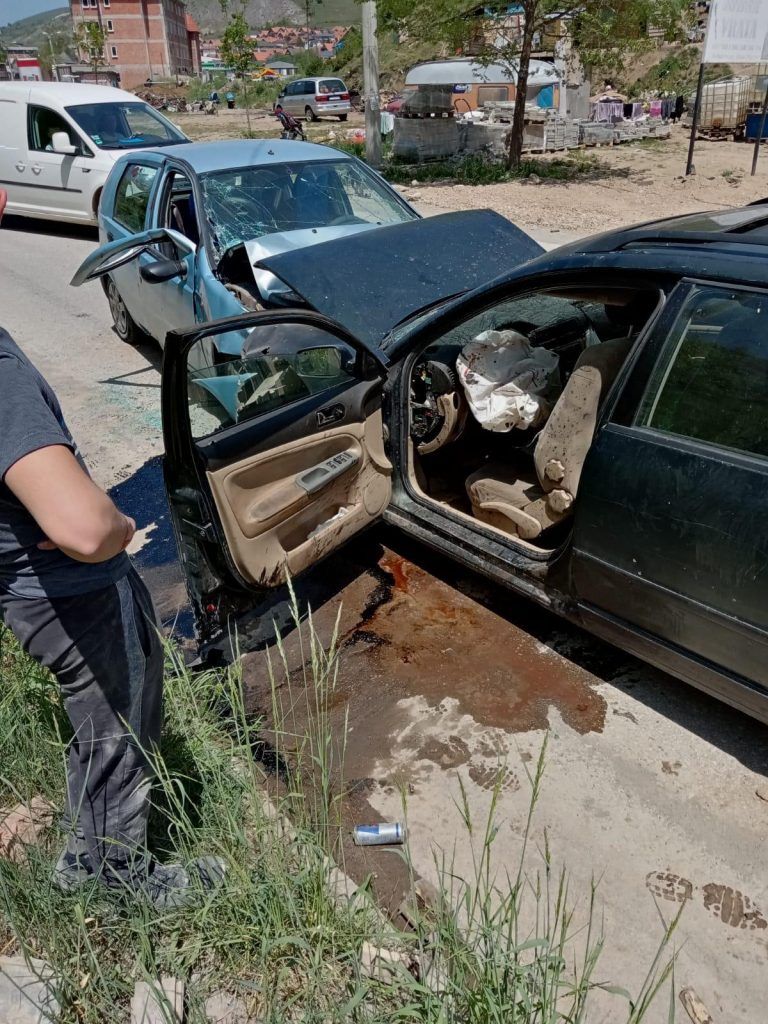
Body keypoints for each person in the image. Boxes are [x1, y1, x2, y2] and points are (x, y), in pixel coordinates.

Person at [0, 189, 223, 907]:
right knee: (116, 722)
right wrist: (124, 528)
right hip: (69, 589)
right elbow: (88, 530)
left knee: (102, 722)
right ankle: (115, 879)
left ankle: (88, 861)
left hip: (24, 584)